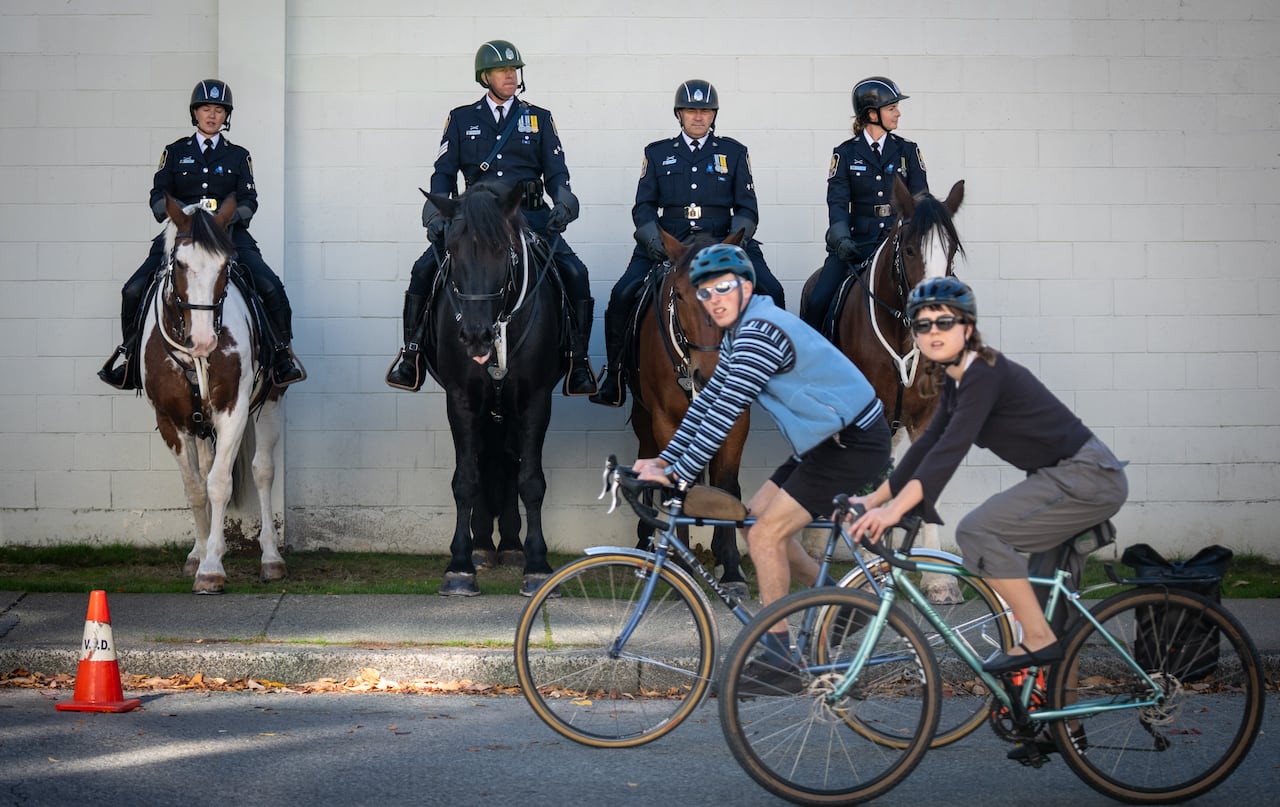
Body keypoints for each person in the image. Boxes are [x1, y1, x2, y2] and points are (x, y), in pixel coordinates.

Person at [633, 244, 891, 685]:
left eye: (723, 289)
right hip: (824, 443)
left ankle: (780, 656)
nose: (713, 300)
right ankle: (841, 606)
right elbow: (708, 401)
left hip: (853, 441)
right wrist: (664, 459)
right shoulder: (740, 331)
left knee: (767, 535)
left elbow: (727, 410)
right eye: (704, 294)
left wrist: (677, 472)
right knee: (755, 523)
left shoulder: (759, 333)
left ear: (747, 287)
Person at [846, 276, 1128, 678]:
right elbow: (924, 449)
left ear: (968, 328)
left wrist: (894, 514)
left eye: (945, 322)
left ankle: (1036, 639)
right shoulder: (957, 382)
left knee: (978, 532)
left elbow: (949, 451)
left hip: (1086, 477)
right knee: (1043, 597)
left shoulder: (984, 372)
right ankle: (1052, 719)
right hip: (1061, 481)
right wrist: (872, 502)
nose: (933, 332)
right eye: (923, 324)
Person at [386, 40, 596, 395]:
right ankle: (413, 353)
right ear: (485, 76)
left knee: (576, 272)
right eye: (503, 70)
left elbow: (557, 174)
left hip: (527, 214)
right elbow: (443, 173)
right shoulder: (461, 118)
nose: (511, 76)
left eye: (515, 70)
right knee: (424, 270)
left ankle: (578, 360)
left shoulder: (539, 118)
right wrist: (437, 211)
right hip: (475, 218)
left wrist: (563, 202)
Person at [590, 79, 786, 407]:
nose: (699, 116)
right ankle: (616, 375)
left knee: (772, 290)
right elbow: (644, 205)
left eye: (706, 110)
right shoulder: (658, 153)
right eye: (692, 110)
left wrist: (736, 241)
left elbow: (748, 207)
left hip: (724, 241)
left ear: (714, 115)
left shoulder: (733, 152)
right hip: (670, 242)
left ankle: (775, 374)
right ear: (679, 114)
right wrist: (652, 239)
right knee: (622, 293)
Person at [99, 79, 304, 389]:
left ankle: (281, 355)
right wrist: (182, 213)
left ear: (226, 117)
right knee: (133, 289)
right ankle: (129, 355)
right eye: (206, 108)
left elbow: (250, 201)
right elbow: (158, 194)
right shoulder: (175, 151)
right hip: (181, 235)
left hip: (228, 236)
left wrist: (225, 219)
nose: (212, 115)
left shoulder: (238, 156)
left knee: (271, 286)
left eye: (219, 110)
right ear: (195, 113)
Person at [802, 76, 929, 331]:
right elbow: (837, 201)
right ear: (872, 113)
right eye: (892, 108)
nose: (898, 113)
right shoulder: (846, 153)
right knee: (817, 301)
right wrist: (840, 238)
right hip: (857, 242)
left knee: (942, 294)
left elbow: (921, 201)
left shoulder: (908, 151)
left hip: (899, 242)